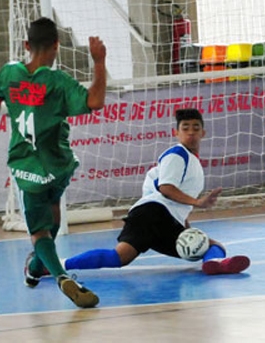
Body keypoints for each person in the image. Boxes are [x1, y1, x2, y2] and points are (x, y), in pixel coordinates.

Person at [0, 17, 107, 308]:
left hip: (27, 165)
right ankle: (37, 267)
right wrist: (98, 62)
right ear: (56, 47)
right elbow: (95, 101)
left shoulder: (8, 73)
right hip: (59, 164)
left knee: (39, 230)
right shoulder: (58, 82)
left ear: (26, 45)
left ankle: (62, 277)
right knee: (53, 214)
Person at [61, 108, 251, 276]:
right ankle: (213, 262)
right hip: (153, 213)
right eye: (185, 128)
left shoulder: (193, 163)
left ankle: (56, 266)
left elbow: (176, 205)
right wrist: (198, 202)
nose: (191, 132)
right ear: (176, 132)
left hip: (158, 216)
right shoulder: (177, 154)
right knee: (213, 246)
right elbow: (166, 190)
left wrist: (187, 229)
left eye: (195, 128)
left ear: (203, 133)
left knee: (119, 257)